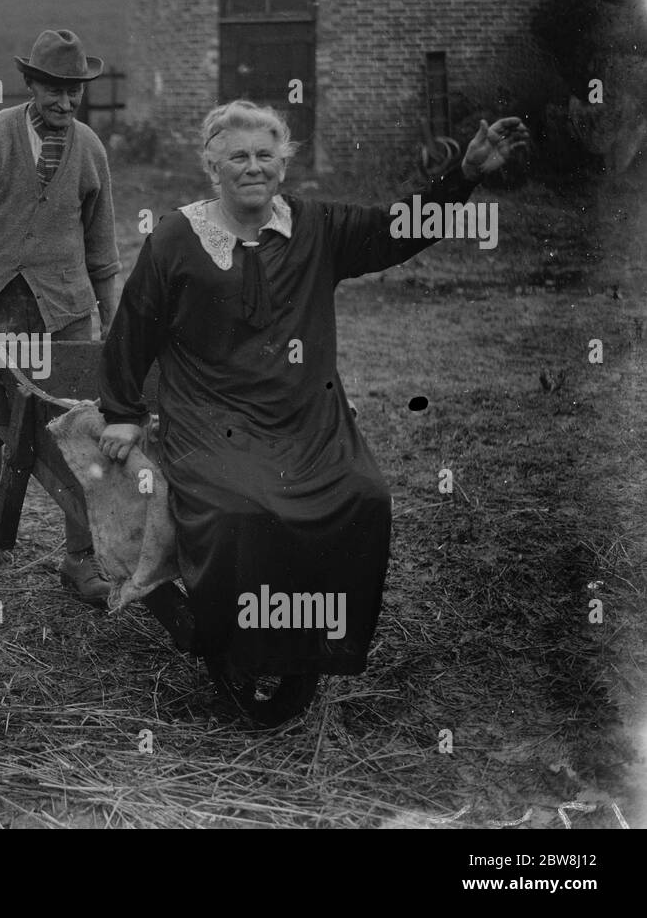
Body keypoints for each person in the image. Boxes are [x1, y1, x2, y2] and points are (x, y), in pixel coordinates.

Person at [96, 100, 528, 683]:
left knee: (363, 496)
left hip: (306, 417)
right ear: (212, 166)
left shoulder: (316, 226)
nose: (254, 166)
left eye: (266, 155)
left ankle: (316, 645)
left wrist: (465, 177)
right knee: (238, 510)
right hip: (210, 418)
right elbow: (135, 326)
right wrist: (122, 413)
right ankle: (235, 650)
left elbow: (394, 230)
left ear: (283, 164)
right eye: (239, 156)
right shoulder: (175, 238)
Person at [0, 29, 120, 603]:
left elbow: (104, 252)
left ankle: (79, 557)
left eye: (75, 92)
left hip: (64, 310)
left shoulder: (90, 150)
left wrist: (114, 325)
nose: (65, 103)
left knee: (79, 430)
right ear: (31, 84)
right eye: (54, 90)